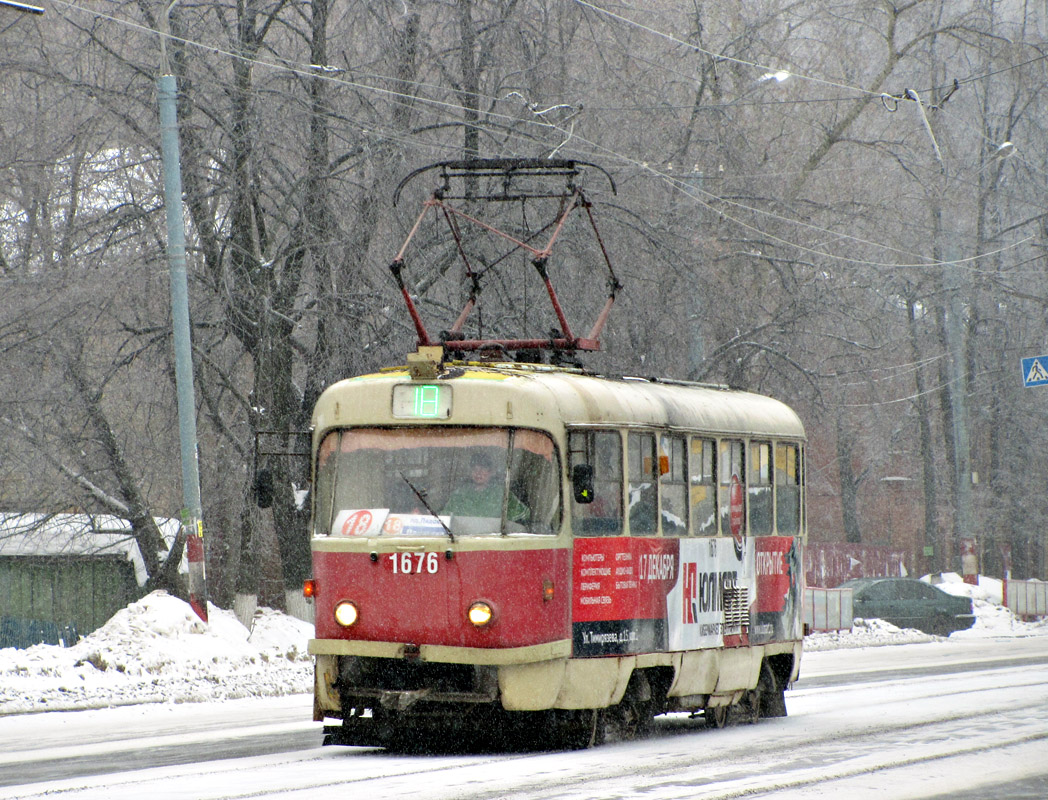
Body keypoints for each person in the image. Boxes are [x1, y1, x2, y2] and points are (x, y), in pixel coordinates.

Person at [443, 452, 529, 523]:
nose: (478, 473)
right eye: (474, 469)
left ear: (491, 472)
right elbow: (444, 517)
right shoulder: (460, 495)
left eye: (483, 469)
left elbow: (524, 514)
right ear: (470, 472)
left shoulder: (501, 493)